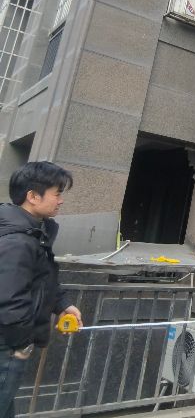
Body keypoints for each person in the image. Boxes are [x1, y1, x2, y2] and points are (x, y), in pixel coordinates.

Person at [0, 161, 82, 418]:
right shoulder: (18, 240)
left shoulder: (33, 231)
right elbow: (9, 299)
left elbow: (41, 277)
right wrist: (21, 345)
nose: (61, 200)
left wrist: (62, 304)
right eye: (57, 193)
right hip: (6, 346)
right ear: (33, 196)